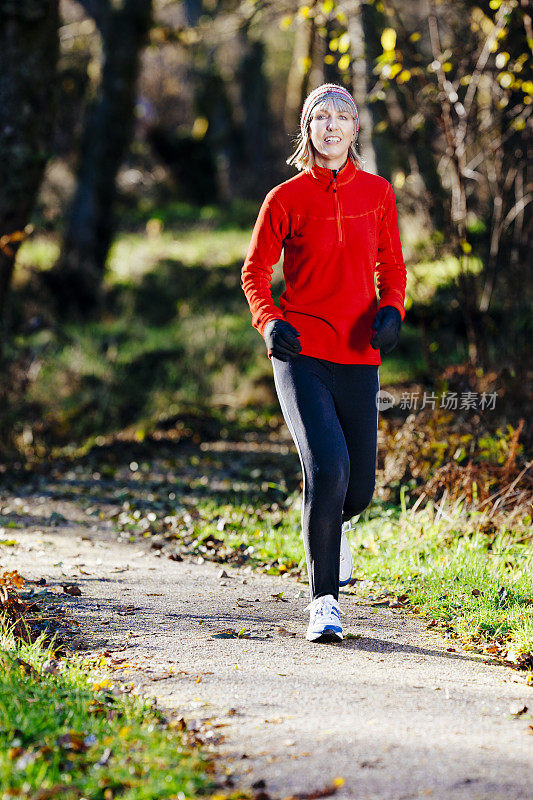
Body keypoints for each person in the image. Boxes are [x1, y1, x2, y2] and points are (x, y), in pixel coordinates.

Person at [240, 83, 406, 643]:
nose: (331, 125)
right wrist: (270, 323)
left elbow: (393, 268)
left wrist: (392, 310)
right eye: (320, 117)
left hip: (359, 354)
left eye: (342, 116)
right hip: (300, 351)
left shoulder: (379, 194)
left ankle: (327, 523)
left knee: (357, 490)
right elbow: (254, 273)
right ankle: (324, 603)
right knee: (328, 468)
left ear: (355, 130)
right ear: (308, 131)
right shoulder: (284, 198)